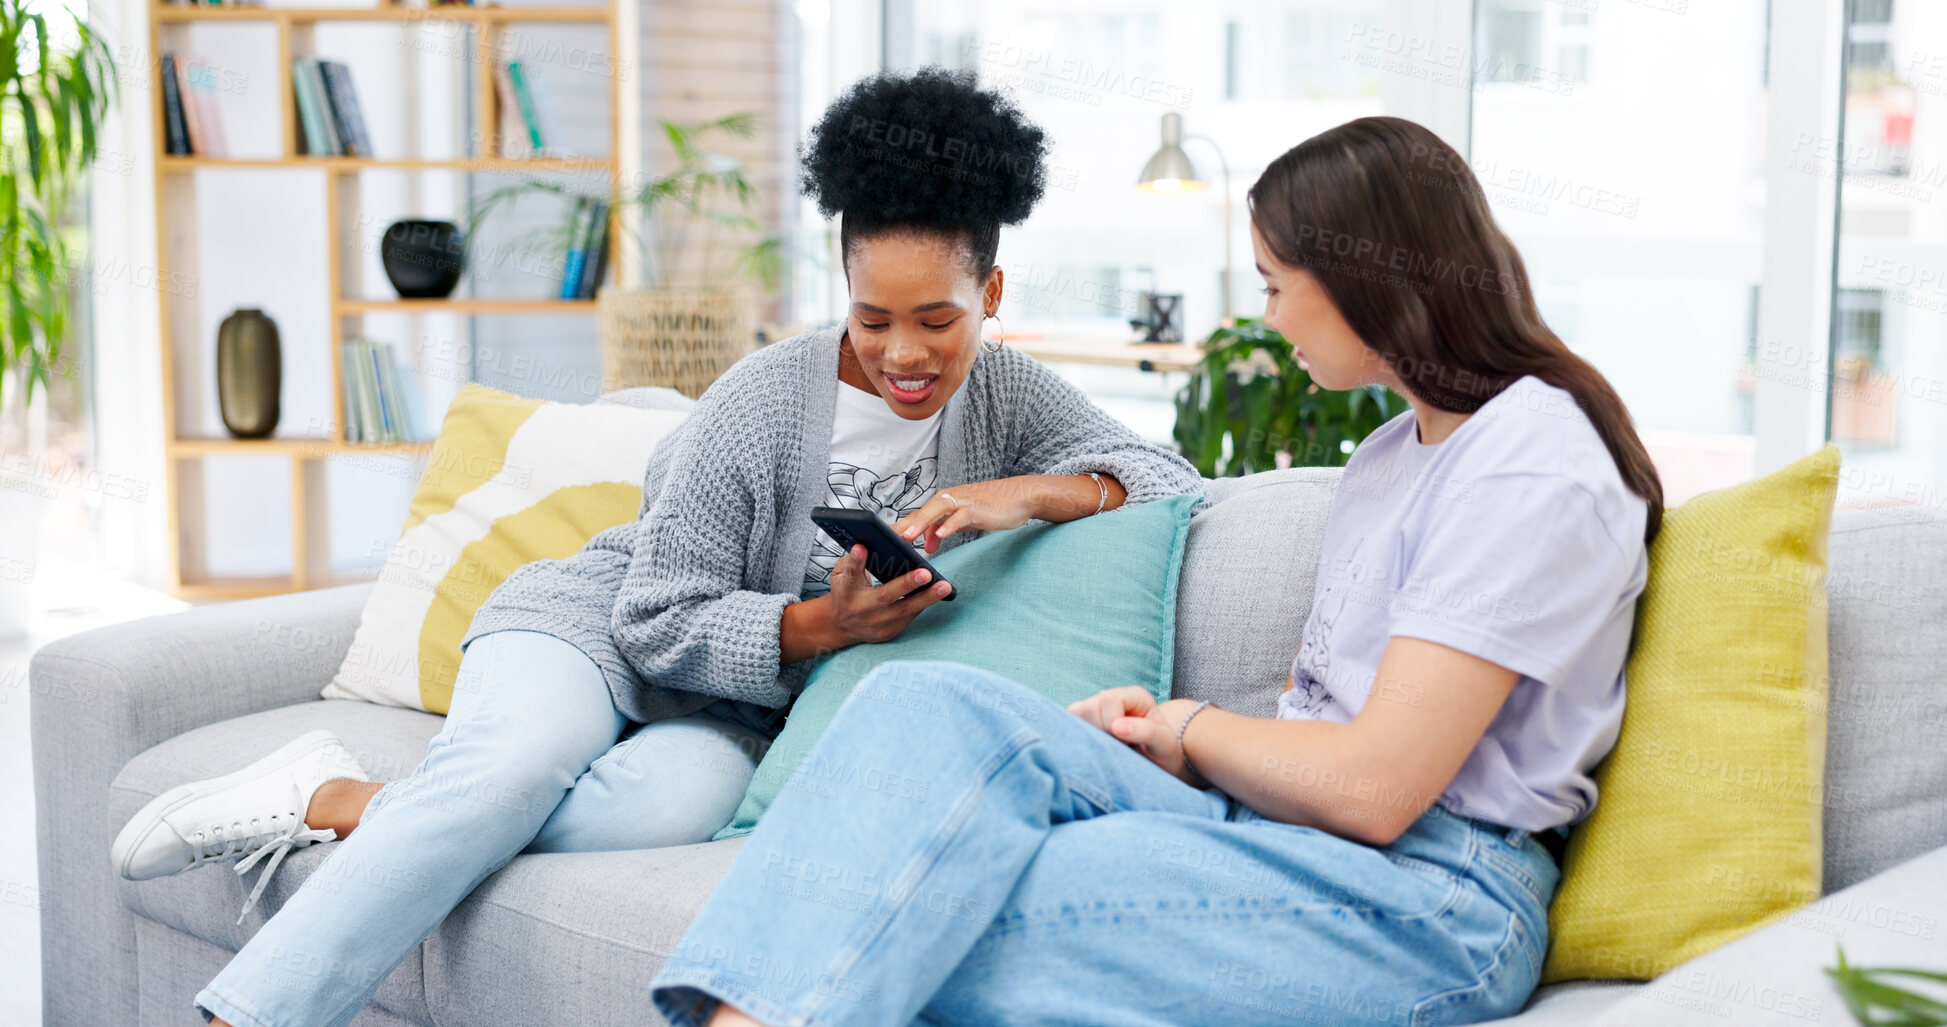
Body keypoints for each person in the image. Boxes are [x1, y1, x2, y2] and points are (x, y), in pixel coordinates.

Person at [108, 67, 1205, 1027]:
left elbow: (1174, 479)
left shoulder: (1010, 397)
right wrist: (822, 625)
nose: (904, 354)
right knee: (513, 769)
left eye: (938, 320)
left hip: (730, 718)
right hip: (590, 631)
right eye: (873, 320)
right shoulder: (763, 398)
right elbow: (653, 611)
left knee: (662, 815)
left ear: (991, 295)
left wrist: (1027, 493)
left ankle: (343, 803)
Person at [647, 114, 1666, 1027]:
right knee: (921, 709)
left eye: (1274, 285)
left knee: (940, 899)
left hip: (1427, 898)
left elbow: (1376, 787)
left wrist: (1189, 727)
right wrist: (1177, 745)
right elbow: (1332, 743)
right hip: (1294, 835)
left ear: (1369, 279)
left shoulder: (1530, 457)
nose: (1266, 318)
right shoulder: (1393, 457)